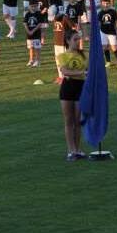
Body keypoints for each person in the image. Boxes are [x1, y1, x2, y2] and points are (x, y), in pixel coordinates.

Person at [58, 31, 87, 161]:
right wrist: (80, 72)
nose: (77, 41)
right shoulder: (63, 55)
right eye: (75, 39)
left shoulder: (83, 55)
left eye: (78, 39)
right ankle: (71, 150)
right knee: (68, 121)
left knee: (78, 121)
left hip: (80, 87)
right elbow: (65, 72)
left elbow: (87, 71)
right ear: (68, 41)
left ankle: (78, 149)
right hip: (68, 88)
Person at [97, 0, 117, 68]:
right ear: (101, 3)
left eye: (107, 3)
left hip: (111, 32)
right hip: (103, 32)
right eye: (104, 3)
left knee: (114, 47)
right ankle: (108, 62)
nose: (105, 5)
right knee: (105, 47)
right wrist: (98, 33)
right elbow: (98, 24)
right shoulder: (100, 13)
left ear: (110, 3)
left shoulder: (113, 11)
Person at [51, 13, 73, 84]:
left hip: (63, 43)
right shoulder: (55, 18)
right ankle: (60, 76)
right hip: (56, 42)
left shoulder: (65, 18)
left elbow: (73, 27)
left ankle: (66, 77)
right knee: (58, 60)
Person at [23, 2, 45, 67]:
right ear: (29, 6)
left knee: (37, 48)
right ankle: (31, 60)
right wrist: (28, 31)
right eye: (32, 6)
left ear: (37, 6)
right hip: (29, 34)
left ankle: (37, 61)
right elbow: (25, 23)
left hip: (36, 34)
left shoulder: (38, 14)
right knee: (31, 47)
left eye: (35, 6)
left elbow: (40, 24)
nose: (33, 8)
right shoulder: (27, 14)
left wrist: (33, 31)